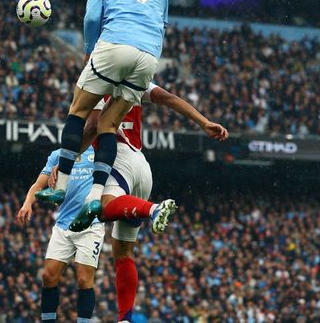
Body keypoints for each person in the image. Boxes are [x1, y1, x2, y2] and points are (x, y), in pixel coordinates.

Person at [44, 83, 228, 322]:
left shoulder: (99, 82)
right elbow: (170, 99)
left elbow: (92, 127)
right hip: (142, 166)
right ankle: (125, 319)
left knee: (101, 207)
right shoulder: (137, 79)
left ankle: (153, 208)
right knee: (123, 251)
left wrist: (68, 160)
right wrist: (204, 122)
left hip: (118, 160)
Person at [54, 0, 169, 218]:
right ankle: (96, 194)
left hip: (115, 43)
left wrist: (90, 48)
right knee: (109, 123)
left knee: (79, 110)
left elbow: (93, 16)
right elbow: (161, 30)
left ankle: (60, 186)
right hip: (149, 57)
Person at [16, 146, 101, 323]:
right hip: (63, 224)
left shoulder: (99, 152)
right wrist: (27, 204)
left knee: (84, 279)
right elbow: (37, 185)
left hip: (90, 224)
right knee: (48, 276)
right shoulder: (58, 155)